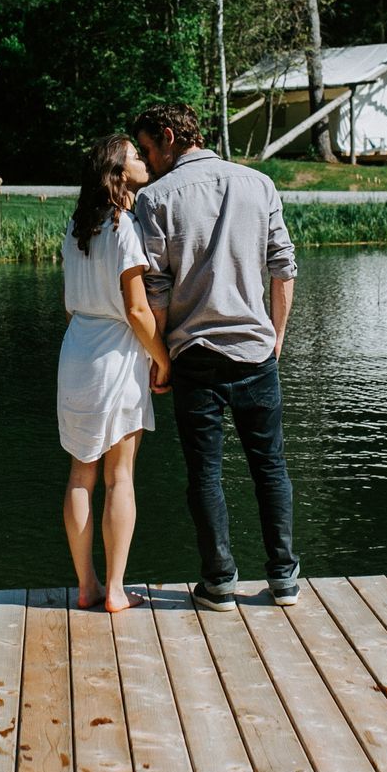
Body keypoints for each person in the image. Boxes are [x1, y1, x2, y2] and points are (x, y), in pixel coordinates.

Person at [130, 102, 301, 611]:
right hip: (255, 351)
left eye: (146, 149)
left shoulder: (156, 197)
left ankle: (219, 582)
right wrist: (277, 336)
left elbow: (155, 290)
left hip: (195, 354)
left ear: (167, 137)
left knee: (205, 473)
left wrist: (158, 359)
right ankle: (285, 579)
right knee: (270, 466)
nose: (146, 160)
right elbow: (284, 268)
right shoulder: (259, 184)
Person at [57, 134, 172, 613]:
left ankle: (86, 586)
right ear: (118, 173)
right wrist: (164, 360)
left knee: (80, 474)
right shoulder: (124, 227)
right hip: (116, 357)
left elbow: (69, 306)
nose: (144, 161)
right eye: (135, 157)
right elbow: (137, 309)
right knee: (119, 477)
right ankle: (117, 590)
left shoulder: (75, 226)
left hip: (76, 352)